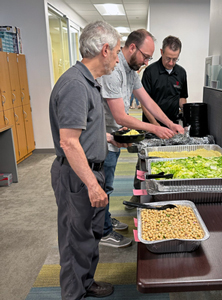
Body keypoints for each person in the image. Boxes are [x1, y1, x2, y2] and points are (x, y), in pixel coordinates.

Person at [49, 21, 128, 300]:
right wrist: (92, 186)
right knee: (74, 241)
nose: (118, 58)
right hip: (77, 175)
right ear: (104, 50)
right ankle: (74, 294)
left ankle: (85, 282)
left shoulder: (88, 83)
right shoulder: (75, 85)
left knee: (90, 236)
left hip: (90, 172)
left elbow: (82, 130)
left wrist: (108, 139)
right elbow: (68, 142)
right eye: (117, 52)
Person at [97, 29, 184, 248]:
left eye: (149, 58)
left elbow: (149, 102)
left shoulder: (131, 72)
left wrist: (170, 124)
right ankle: (103, 231)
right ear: (132, 47)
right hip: (103, 138)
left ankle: (105, 220)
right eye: (145, 56)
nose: (147, 61)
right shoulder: (114, 71)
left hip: (116, 138)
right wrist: (155, 129)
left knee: (109, 184)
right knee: (102, 187)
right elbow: (119, 115)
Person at [128, 35, 188, 208]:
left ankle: (163, 193)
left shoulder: (181, 73)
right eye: (168, 58)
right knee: (144, 160)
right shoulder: (150, 71)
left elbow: (182, 97)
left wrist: (181, 119)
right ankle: (137, 193)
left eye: (175, 59)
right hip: (150, 125)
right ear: (161, 52)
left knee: (168, 161)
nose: (171, 62)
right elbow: (146, 103)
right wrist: (155, 126)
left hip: (171, 126)